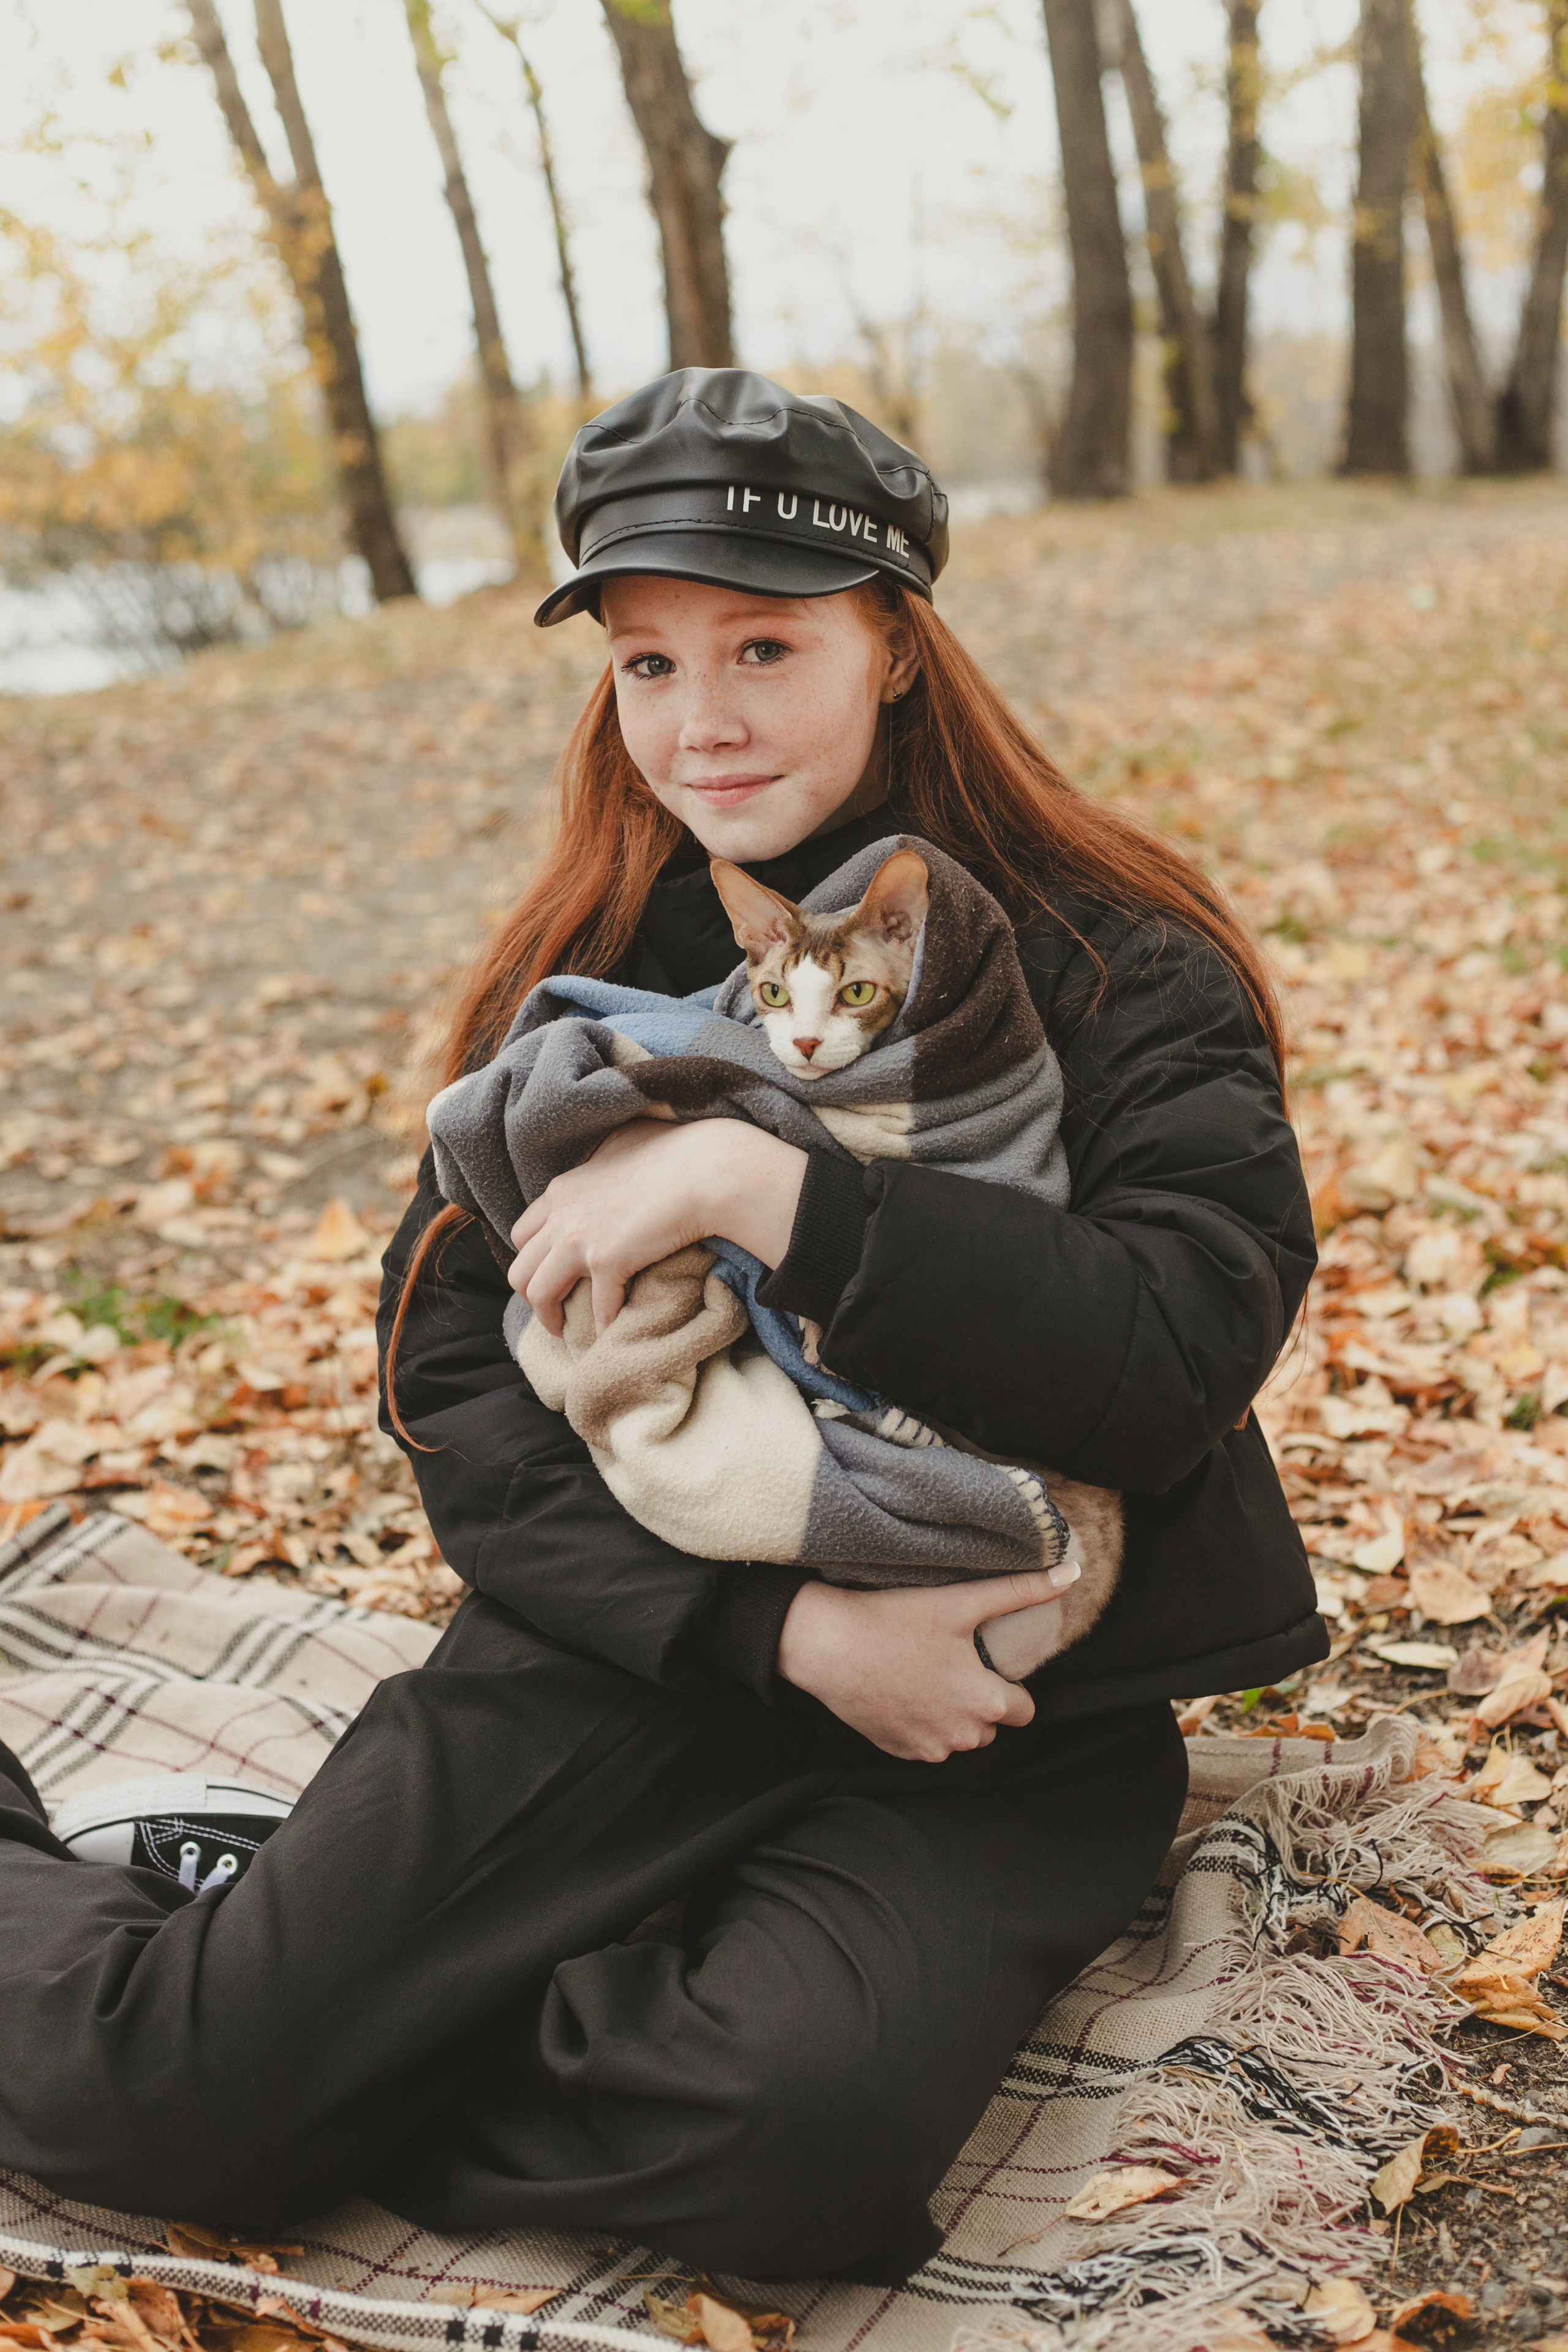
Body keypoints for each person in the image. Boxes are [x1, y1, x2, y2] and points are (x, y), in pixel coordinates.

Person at [0, 371, 1325, 2284]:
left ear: (895, 650)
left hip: (1004, 1708)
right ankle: (273, 2006)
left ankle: (357, 2013)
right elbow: (457, 1389)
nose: (699, 722)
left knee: (788, 2158)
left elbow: (1175, 1351)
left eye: (765, 646)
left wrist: (768, 1188)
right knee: (172, 2111)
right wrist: (778, 1626)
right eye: (645, 662)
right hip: (642, 1654)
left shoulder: (1115, 963)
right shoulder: (593, 982)